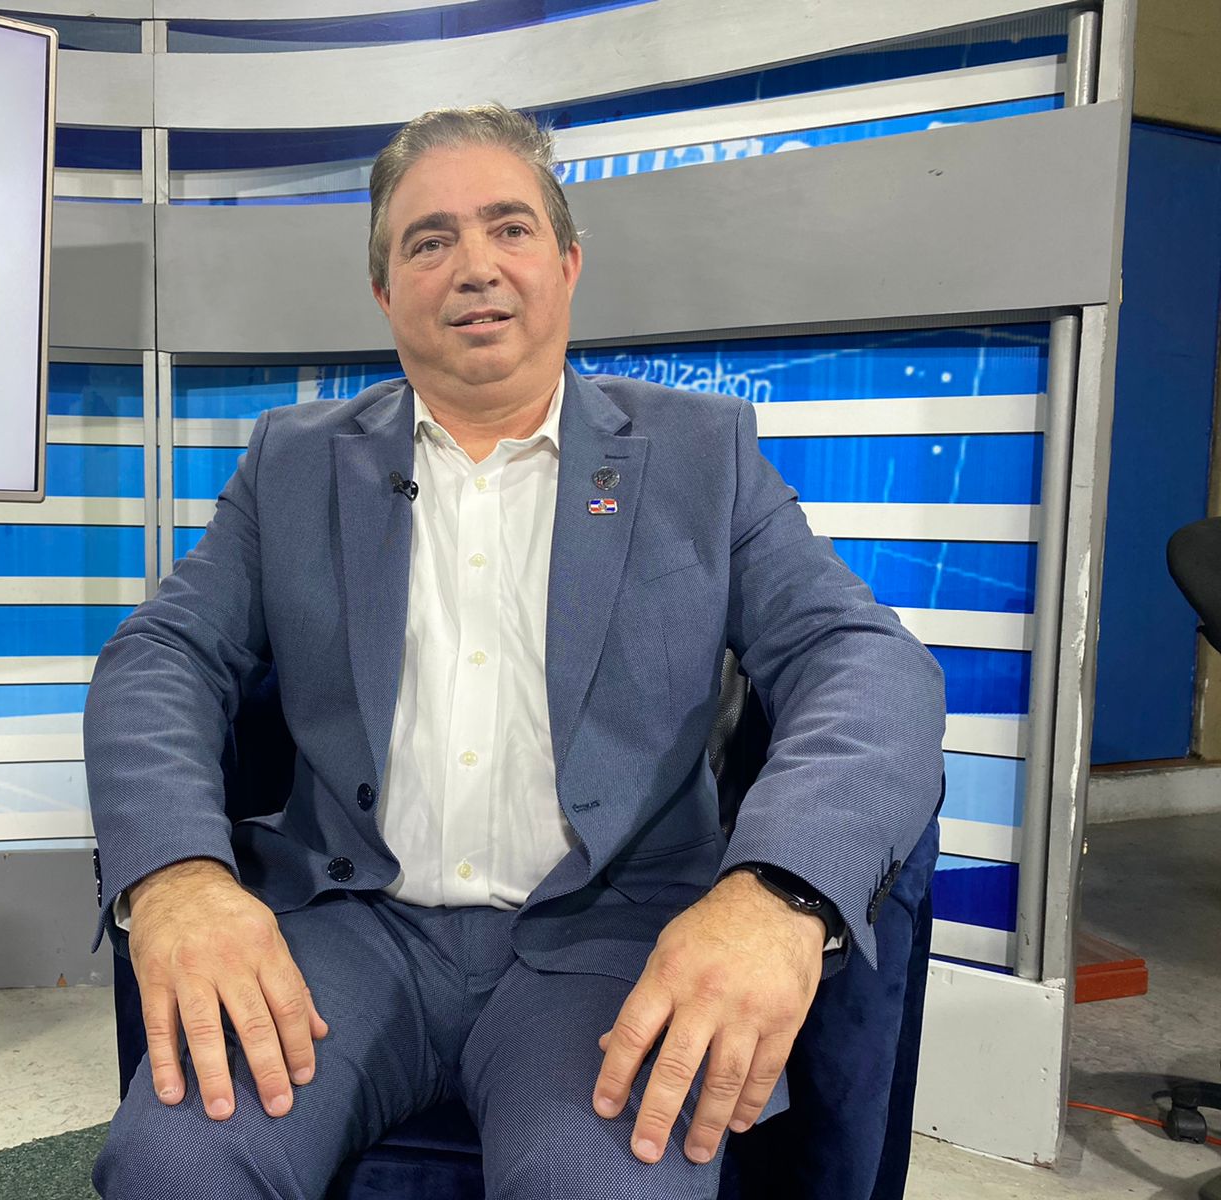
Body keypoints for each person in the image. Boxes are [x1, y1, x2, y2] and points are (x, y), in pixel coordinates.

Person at [85, 103, 945, 1199]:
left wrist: (778, 892)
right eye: (428, 240)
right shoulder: (291, 462)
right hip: (348, 933)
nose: (474, 266)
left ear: (568, 261)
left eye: (509, 227)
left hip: (612, 941)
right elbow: (162, 654)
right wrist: (175, 876)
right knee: (171, 1168)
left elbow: (862, 659)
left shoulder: (700, 454)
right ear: (384, 290)